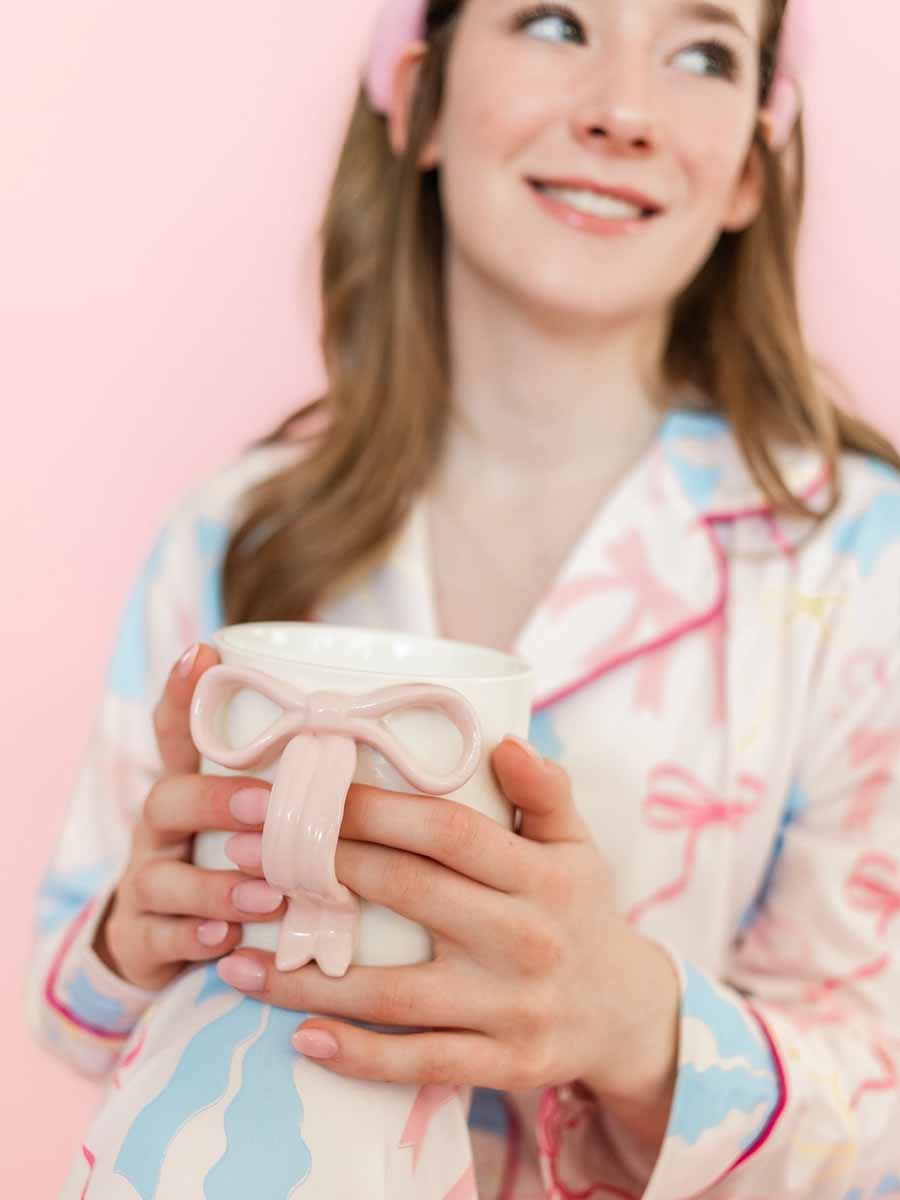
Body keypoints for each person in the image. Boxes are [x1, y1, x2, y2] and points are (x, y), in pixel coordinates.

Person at [25, 0, 900, 1195]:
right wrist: (144, 929)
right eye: (554, 21)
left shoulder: (860, 564)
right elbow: (73, 1019)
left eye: (703, 53)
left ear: (748, 164)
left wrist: (635, 1026)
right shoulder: (237, 532)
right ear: (422, 97)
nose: (624, 112)